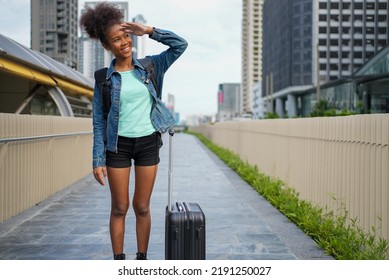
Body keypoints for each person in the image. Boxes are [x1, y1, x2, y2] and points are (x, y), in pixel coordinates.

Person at [79, 2, 187, 260]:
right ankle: (119, 262)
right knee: (119, 207)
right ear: (107, 46)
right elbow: (98, 121)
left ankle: (141, 260)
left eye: (126, 35)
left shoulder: (151, 67)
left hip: (148, 142)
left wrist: (148, 30)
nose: (124, 42)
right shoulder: (103, 78)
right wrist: (98, 160)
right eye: (116, 39)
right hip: (117, 146)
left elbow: (180, 45)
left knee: (141, 206)